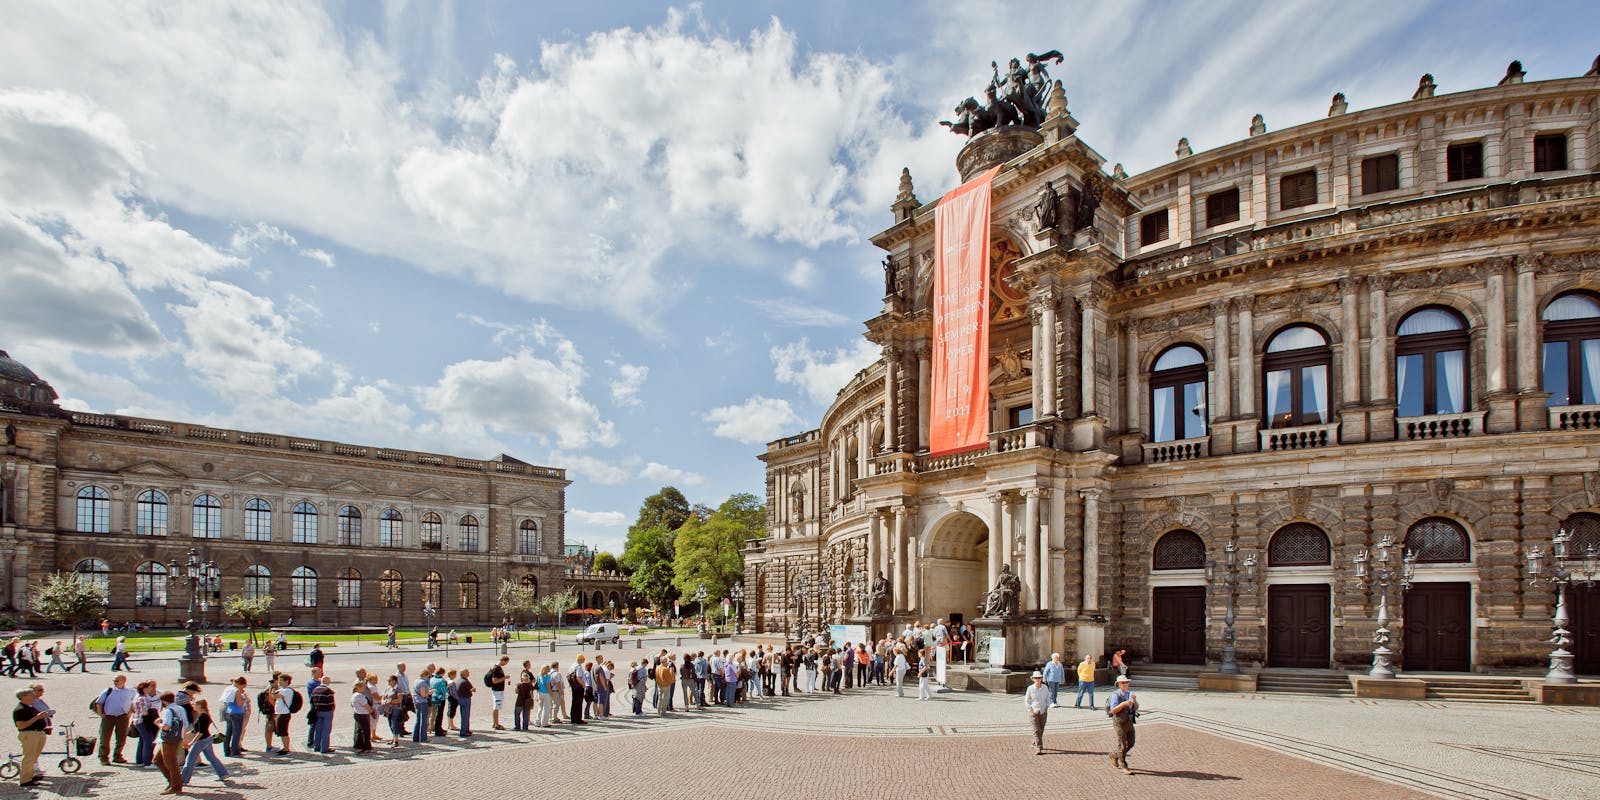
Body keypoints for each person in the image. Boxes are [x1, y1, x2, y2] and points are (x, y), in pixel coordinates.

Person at [181, 698, 229, 785]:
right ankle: (223, 773)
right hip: (207, 739)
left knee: (190, 760)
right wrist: (186, 734)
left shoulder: (203, 716)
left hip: (201, 741)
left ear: (200, 706)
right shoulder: (204, 715)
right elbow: (197, 729)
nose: (193, 705)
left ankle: (183, 780)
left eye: (195, 704)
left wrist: (191, 742)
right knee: (211, 758)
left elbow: (201, 732)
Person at [92, 673, 136, 764]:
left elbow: (133, 702)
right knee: (105, 738)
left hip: (122, 717)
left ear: (123, 681)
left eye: (117, 680)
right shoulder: (109, 691)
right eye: (114, 681)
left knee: (121, 738)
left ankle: (117, 755)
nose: (114, 682)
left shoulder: (130, 691)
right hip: (108, 717)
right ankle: (104, 757)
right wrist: (101, 714)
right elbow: (99, 702)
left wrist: (130, 712)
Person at [13, 686, 51, 787]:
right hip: (29, 734)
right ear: (24, 696)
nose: (34, 695)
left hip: (38, 733)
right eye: (31, 694)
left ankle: (31, 775)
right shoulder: (20, 709)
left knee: (34, 757)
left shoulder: (29, 706)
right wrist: (37, 717)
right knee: (29, 757)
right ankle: (25, 780)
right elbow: (21, 725)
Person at [152, 691, 187, 795]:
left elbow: (166, 726)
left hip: (168, 739)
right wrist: (183, 739)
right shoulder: (180, 708)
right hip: (177, 738)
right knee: (157, 760)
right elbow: (185, 725)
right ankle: (172, 781)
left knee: (171, 763)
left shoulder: (168, 710)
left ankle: (176, 785)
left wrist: (158, 723)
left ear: (163, 701)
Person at [1108, 675, 1139, 775]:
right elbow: (1113, 710)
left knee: (1131, 742)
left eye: (1126, 682)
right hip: (1119, 721)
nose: (1126, 684)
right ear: (1119, 685)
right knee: (1122, 745)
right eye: (1123, 683)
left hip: (1129, 720)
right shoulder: (1115, 695)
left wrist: (1135, 701)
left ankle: (1114, 754)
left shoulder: (1130, 694)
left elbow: (1136, 707)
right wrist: (1124, 704)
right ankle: (1124, 766)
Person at [218, 676, 251, 757]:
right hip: (237, 712)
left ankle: (226, 750)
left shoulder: (228, 688)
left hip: (228, 712)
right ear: (240, 684)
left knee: (228, 731)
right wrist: (244, 699)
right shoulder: (236, 691)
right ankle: (235, 751)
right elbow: (239, 704)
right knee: (237, 732)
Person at [133, 680, 162, 766]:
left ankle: (140, 760)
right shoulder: (143, 698)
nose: (151, 688)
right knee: (148, 742)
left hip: (139, 721)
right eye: (149, 687)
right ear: (145, 689)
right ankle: (147, 763)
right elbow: (144, 712)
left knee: (142, 741)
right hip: (143, 722)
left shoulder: (141, 697)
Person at [1024, 670, 1050, 755]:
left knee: (1041, 729)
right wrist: (1030, 709)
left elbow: (1048, 698)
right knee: (1036, 730)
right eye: (1036, 678)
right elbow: (1027, 700)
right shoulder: (1030, 688)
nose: (1038, 679)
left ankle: (1034, 742)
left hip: (1043, 710)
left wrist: (1046, 708)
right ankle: (1038, 747)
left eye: (1039, 678)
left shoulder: (1045, 687)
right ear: (1033, 679)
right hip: (1033, 711)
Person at [310, 673, 336, 752]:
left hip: (317, 711)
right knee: (326, 730)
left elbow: (312, 701)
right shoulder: (328, 691)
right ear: (328, 682)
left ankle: (316, 746)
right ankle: (324, 748)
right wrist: (332, 709)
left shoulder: (315, 689)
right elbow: (331, 703)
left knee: (318, 729)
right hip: (327, 712)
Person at [272, 672, 296, 755]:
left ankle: (286, 749)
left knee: (284, 731)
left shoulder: (287, 691)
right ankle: (285, 747)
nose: (279, 682)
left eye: (281, 680)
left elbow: (274, 696)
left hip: (284, 713)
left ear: (286, 681)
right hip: (280, 712)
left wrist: (273, 688)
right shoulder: (282, 689)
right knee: (281, 732)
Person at [486, 655, 509, 730]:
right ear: (503, 660)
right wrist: (504, 678)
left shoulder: (498, 668)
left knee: (497, 706)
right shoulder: (496, 669)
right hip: (497, 690)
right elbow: (495, 681)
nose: (506, 664)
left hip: (498, 690)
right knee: (496, 707)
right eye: (506, 662)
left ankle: (495, 722)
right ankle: (496, 724)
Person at [350, 679, 373, 753]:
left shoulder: (354, 695)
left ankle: (359, 745)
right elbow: (366, 706)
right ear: (358, 688)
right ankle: (367, 747)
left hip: (357, 713)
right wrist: (371, 711)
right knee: (366, 731)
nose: (364, 689)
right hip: (363, 714)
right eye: (363, 687)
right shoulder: (360, 696)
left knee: (359, 730)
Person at [410, 668, 432, 743]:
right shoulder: (422, 682)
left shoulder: (416, 681)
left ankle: (415, 737)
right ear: (425, 675)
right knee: (424, 721)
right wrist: (429, 693)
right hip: (422, 702)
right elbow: (423, 694)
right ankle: (423, 738)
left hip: (416, 702)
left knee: (418, 720)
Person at [456, 667, 475, 736]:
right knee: (465, 716)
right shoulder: (465, 681)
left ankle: (466, 730)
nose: (469, 673)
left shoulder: (458, 680)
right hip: (465, 699)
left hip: (459, 698)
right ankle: (464, 732)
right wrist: (474, 689)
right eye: (467, 672)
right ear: (464, 674)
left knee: (464, 715)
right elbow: (472, 689)